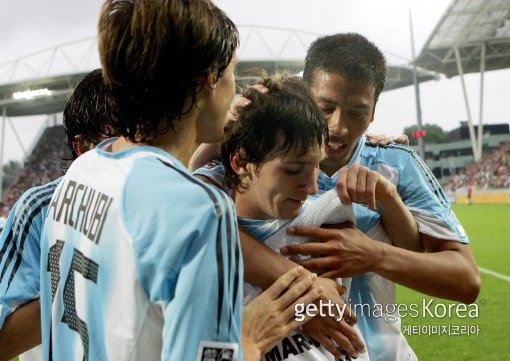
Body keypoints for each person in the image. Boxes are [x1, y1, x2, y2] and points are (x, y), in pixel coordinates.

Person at [38, 2, 322, 361]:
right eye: (233, 73)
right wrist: (247, 339)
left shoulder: (84, 170)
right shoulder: (198, 209)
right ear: (210, 81)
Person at [195, 33, 480, 361]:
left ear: (373, 113)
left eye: (357, 112)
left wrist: (374, 255)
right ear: (304, 95)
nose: (338, 126)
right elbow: (199, 221)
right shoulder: (248, 158)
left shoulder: (394, 163)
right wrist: (311, 296)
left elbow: (466, 280)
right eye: (325, 107)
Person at [0, 69, 113, 361]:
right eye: (117, 136)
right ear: (81, 145)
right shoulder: (40, 208)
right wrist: (76, 291)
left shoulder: (159, 202)